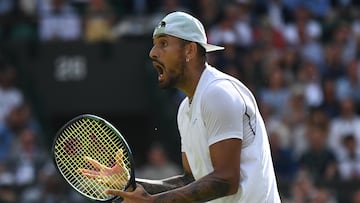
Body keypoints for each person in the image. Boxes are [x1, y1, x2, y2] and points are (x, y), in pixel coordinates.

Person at [79, 11, 281, 202]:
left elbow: (226, 180)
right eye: (154, 45)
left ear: (190, 50)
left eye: (163, 44)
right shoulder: (185, 108)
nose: (152, 53)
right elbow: (191, 180)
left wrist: (154, 202)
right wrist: (130, 184)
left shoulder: (218, 93)